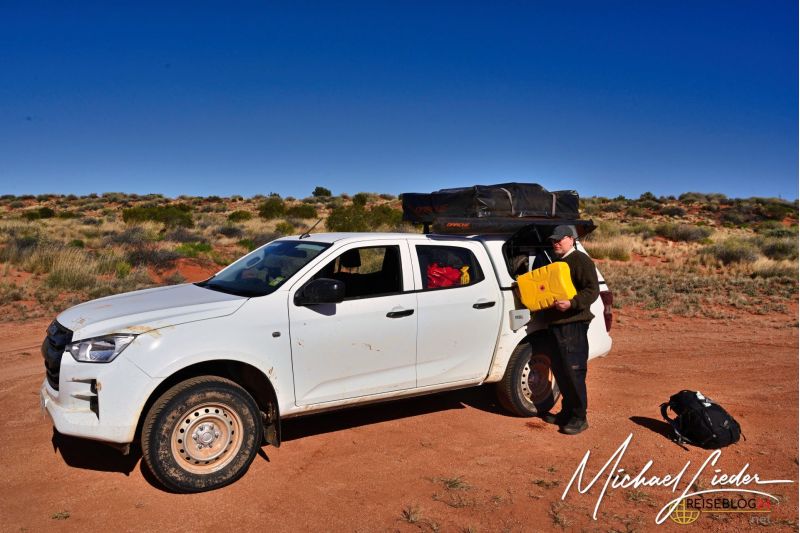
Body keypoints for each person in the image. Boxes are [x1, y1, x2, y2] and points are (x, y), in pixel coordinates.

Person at [539, 224, 599, 435]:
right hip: (557, 324)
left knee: (574, 371)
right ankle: (567, 413)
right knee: (561, 371)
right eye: (553, 240)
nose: (555, 243)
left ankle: (580, 418)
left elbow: (592, 290)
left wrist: (572, 303)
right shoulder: (558, 262)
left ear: (571, 239)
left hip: (573, 324)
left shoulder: (580, 260)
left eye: (559, 239)